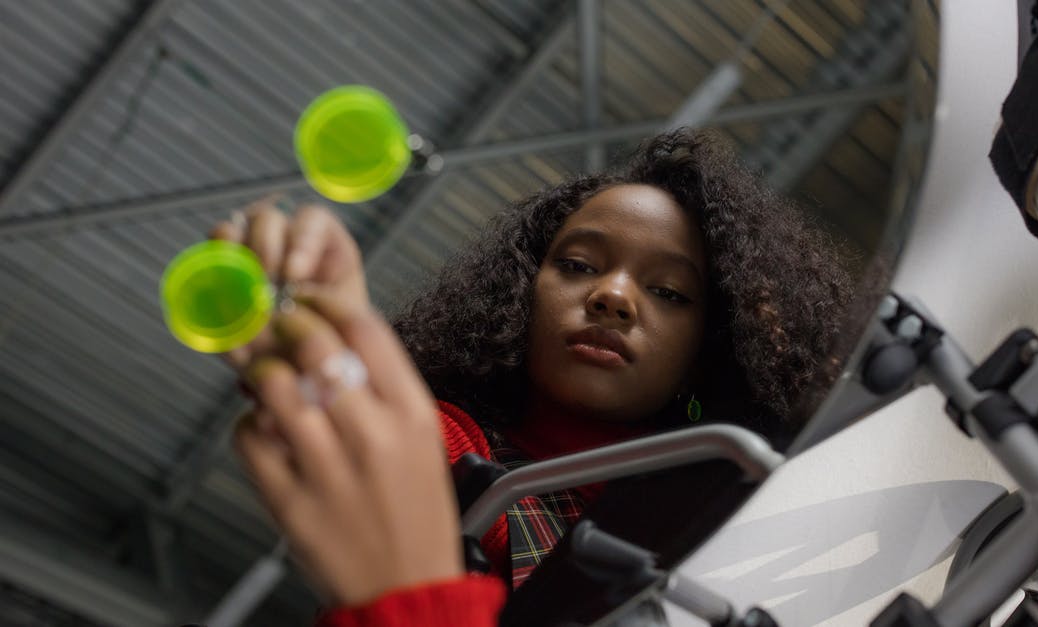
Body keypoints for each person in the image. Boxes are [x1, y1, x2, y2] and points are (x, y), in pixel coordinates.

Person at [215, 129, 853, 625]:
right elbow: (363, 424)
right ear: (519, 296)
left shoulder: (748, 509)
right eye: (577, 265)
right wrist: (321, 328)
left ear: (710, 350)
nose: (613, 296)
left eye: (669, 292)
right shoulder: (453, 447)